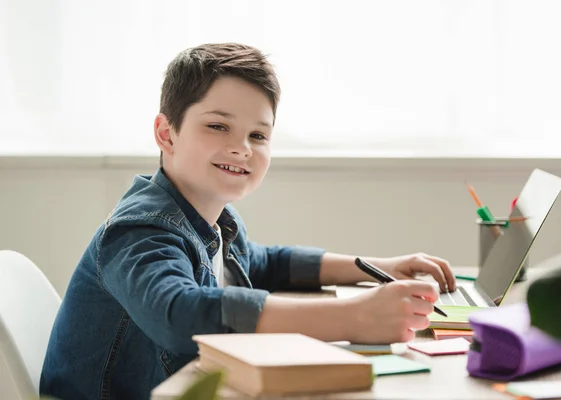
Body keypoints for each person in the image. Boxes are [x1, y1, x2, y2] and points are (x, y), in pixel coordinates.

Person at [40, 43, 456, 400]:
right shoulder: (140, 230)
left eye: (258, 135)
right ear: (167, 134)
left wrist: (376, 266)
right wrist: (351, 317)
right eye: (218, 126)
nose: (241, 148)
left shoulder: (216, 219)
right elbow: (179, 313)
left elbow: (264, 262)